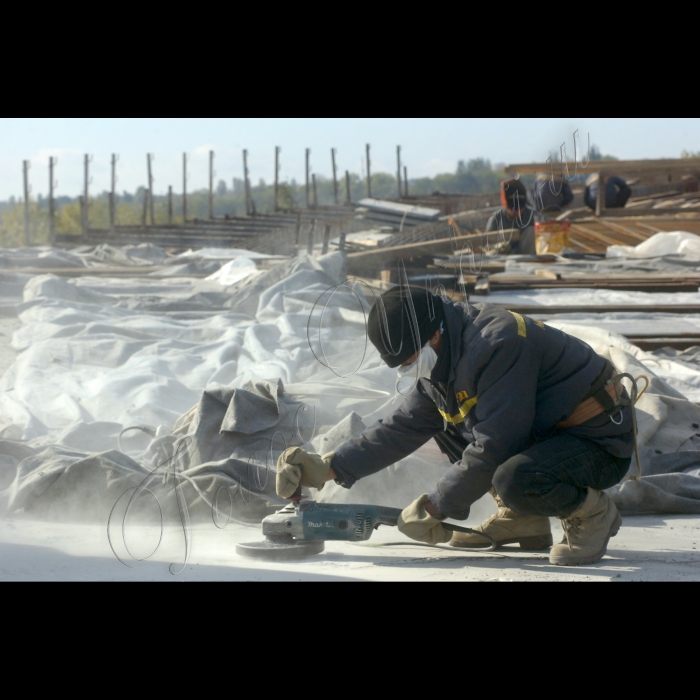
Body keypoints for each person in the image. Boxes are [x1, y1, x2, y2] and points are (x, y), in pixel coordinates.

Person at [277, 286, 635, 566]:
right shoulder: (445, 353)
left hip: (597, 439)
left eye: (408, 360)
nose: (405, 371)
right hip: (551, 433)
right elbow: (403, 426)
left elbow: (496, 445)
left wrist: (436, 506)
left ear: (432, 336)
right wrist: (329, 466)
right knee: (448, 423)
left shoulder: (497, 343)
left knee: (514, 477)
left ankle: (592, 513)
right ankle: (521, 517)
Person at [485, 179, 536, 255]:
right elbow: (488, 242)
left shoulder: (533, 216)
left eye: (520, 209)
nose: (517, 213)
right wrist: (500, 246)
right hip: (503, 257)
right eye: (513, 210)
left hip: (526, 257)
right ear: (506, 206)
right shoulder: (496, 218)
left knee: (531, 231)